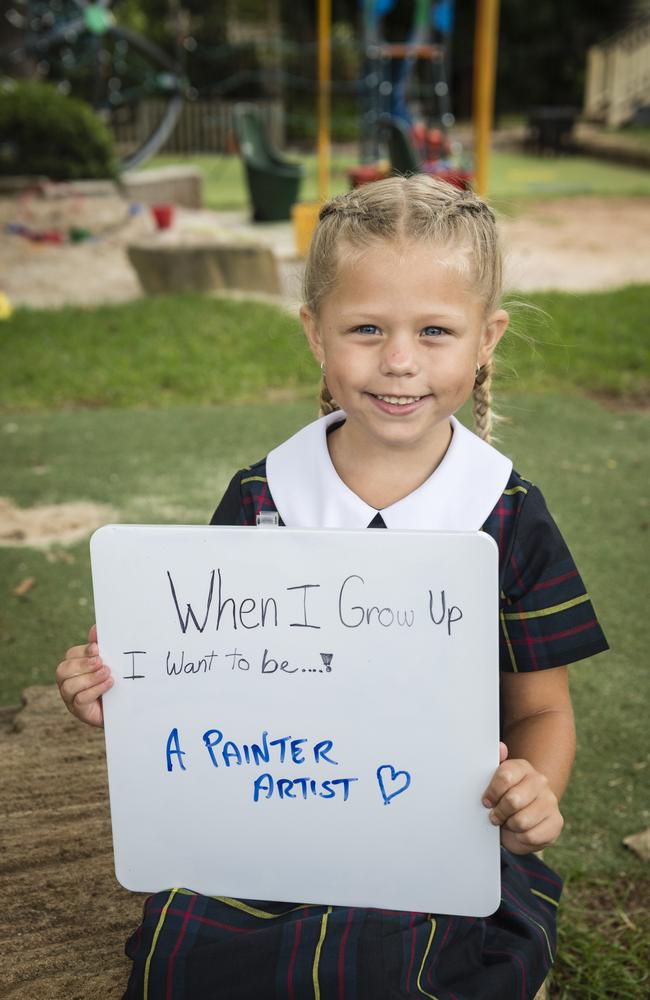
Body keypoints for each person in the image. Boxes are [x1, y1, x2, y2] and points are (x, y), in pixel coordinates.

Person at [56, 175, 608, 1000]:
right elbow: (201, 678)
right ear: (315, 333)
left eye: (435, 330)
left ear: (486, 337)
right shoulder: (260, 497)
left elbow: (541, 709)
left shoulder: (507, 514)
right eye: (365, 328)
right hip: (265, 819)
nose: (399, 360)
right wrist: (121, 692)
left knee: (386, 962)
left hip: (440, 835)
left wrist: (536, 789)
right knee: (184, 956)